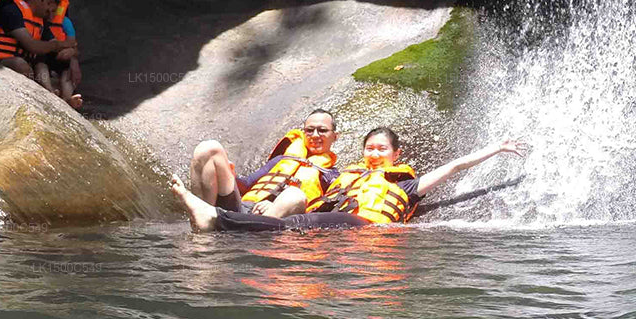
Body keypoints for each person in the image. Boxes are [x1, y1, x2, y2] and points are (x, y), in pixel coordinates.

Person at [171, 127, 527, 232]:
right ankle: (220, 220)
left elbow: (454, 167)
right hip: (337, 225)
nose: (374, 154)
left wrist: (496, 148)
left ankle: (215, 219)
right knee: (295, 223)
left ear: (396, 154)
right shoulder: (345, 177)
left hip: (366, 226)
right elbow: (309, 193)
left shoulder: (405, 185)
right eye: (370, 148)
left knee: (296, 224)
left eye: (382, 149)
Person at [188, 109, 341, 219]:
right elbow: (247, 184)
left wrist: (275, 206)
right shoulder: (282, 160)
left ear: (335, 136)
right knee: (209, 148)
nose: (315, 135)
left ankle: (256, 232)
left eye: (322, 130)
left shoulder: (332, 176)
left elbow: (320, 212)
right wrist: (231, 175)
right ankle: (203, 217)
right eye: (309, 130)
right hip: (243, 208)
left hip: (272, 222)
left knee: (295, 195)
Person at [0, 0, 77, 78]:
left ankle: (48, 87)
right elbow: (31, 45)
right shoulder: (12, 9)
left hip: (26, 68)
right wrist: (57, 45)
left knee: (43, 67)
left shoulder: (40, 22)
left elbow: (55, 44)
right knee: (20, 64)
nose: (49, 10)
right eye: (48, 3)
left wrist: (71, 52)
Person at [33, 0, 83, 109]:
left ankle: (67, 98)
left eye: (54, 11)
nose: (51, 14)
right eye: (48, 11)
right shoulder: (39, 20)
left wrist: (72, 54)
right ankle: (50, 91)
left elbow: (73, 46)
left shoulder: (65, 22)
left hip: (59, 57)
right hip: (44, 57)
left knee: (67, 72)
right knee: (40, 65)